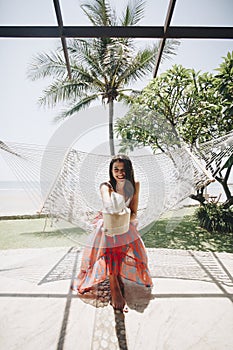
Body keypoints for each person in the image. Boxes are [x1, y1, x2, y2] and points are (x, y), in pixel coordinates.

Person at [71, 154, 152, 312]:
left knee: (122, 243)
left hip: (126, 220)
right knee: (110, 240)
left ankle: (118, 277)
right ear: (111, 170)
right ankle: (114, 283)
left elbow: (134, 212)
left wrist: (124, 216)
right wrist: (114, 208)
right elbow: (107, 203)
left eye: (123, 170)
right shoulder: (106, 185)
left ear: (129, 170)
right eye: (116, 169)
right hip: (108, 222)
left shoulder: (135, 184)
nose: (120, 173)